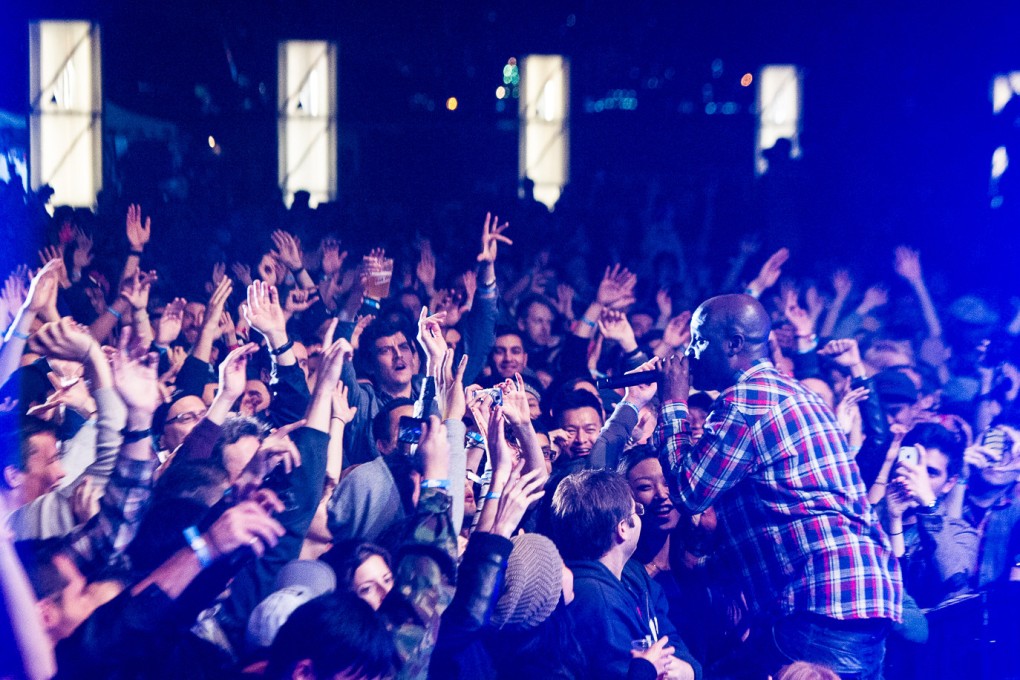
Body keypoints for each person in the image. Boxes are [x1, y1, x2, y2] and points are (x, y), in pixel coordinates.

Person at [655, 294, 901, 679]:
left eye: (698, 340)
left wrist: (672, 403)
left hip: (821, 601)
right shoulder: (795, 391)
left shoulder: (748, 400)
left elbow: (689, 491)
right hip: (860, 594)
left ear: (733, 344)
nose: (690, 352)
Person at [550, 468, 701, 680]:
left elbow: (670, 637)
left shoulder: (633, 573)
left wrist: (688, 669)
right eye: (635, 511)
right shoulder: (594, 599)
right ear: (623, 528)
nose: (640, 516)